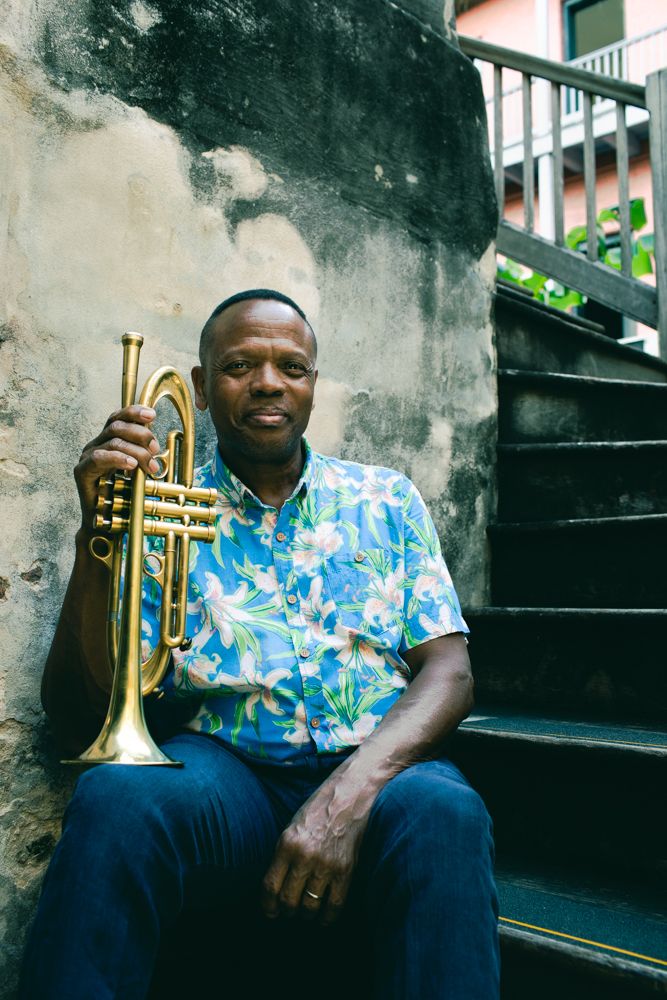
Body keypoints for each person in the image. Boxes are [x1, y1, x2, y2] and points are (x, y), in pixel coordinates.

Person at [20, 289, 499, 999]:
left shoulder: (385, 498)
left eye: (292, 368)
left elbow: (448, 670)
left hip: (376, 762)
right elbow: (75, 715)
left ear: (311, 387)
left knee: (447, 815)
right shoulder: (157, 503)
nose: (269, 382)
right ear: (201, 390)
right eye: (240, 365)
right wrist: (98, 535)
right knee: (118, 799)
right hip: (226, 770)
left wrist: (348, 794)